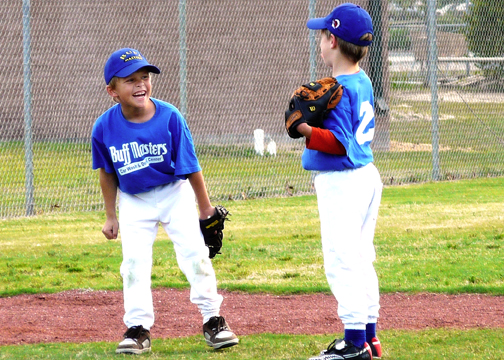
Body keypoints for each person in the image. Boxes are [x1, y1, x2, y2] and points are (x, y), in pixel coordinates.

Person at [91, 48, 239, 355]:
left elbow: (191, 166)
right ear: (112, 91)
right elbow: (107, 173)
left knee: (195, 255)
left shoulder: (170, 117)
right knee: (133, 263)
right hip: (134, 200)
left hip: (175, 193)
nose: (140, 84)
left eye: (144, 77)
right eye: (130, 80)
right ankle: (137, 329)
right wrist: (110, 216)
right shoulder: (104, 128)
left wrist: (205, 208)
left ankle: (213, 320)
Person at [295, 4, 383, 360]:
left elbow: (338, 142)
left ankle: (353, 342)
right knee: (361, 258)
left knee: (341, 260)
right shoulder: (362, 80)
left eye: (322, 35)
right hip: (366, 177)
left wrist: (304, 128)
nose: (320, 40)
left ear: (332, 40)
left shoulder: (339, 87)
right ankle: (371, 337)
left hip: (343, 180)